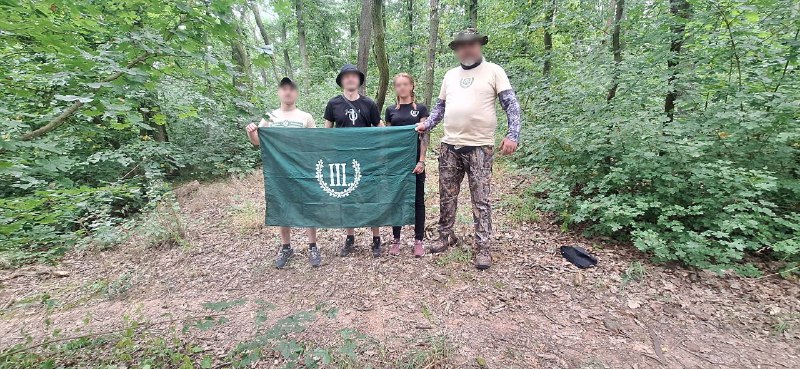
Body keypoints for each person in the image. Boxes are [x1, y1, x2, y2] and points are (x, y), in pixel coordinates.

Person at [415, 28, 522, 270]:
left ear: (479, 45)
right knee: (446, 196)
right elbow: (439, 109)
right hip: (449, 146)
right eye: (462, 45)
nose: (467, 49)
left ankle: (483, 247)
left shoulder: (494, 71)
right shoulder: (450, 76)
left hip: (480, 148)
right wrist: (427, 124)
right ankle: (445, 236)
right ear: (456, 50)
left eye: (472, 44)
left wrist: (512, 134)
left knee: (481, 200)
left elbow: (511, 106)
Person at [246, 77, 321, 269]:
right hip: (278, 171)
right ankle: (286, 247)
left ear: (296, 93)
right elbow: (258, 142)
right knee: (282, 206)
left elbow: (315, 143)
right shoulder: (270, 116)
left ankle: (312, 245)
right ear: (279, 92)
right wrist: (251, 132)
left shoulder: (305, 117)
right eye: (284, 89)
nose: (288, 92)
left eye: (291, 89)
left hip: (302, 169)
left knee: (308, 205)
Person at [323, 64, 385, 258]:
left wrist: (397, 137)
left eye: (353, 76)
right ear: (342, 81)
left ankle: (376, 238)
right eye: (346, 77)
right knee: (347, 197)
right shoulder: (333, 104)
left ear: (358, 81)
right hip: (343, 160)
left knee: (371, 196)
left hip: (368, 158)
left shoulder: (369, 104)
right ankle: (350, 237)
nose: (350, 79)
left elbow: (380, 127)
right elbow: (326, 132)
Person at [384, 73, 429, 257]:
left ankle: (418, 240)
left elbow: (425, 135)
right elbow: (387, 136)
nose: (402, 87)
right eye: (398, 85)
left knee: (418, 200)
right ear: (395, 88)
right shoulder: (390, 110)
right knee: (397, 198)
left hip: (414, 161)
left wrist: (422, 160)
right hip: (396, 162)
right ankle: (396, 239)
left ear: (412, 86)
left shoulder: (420, 109)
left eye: (405, 84)